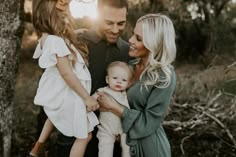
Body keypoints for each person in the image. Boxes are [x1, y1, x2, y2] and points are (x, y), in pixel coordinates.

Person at [54, 0, 131, 157]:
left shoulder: (128, 52)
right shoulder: (77, 42)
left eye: (121, 23)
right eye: (109, 23)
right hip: (74, 138)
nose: (115, 29)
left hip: (110, 142)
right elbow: (55, 87)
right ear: (98, 15)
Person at [97, 13, 177, 157]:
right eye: (134, 34)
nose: (130, 40)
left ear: (154, 44)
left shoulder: (165, 76)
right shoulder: (130, 66)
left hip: (149, 148)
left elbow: (149, 121)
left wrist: (113, 107)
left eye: (138, 38)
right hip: (124, 144)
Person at [29, 0, 99, 156]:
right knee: (85, 136)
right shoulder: (57, 42)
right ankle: (38, 147)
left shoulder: (47, 38)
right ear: (53, 16)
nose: (69, 16)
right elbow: (66, 72)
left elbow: (59, 43)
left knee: (54, 115)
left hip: (59, 93)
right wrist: (86, 98)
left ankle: (38, 146)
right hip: (70, 94)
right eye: (64, 15)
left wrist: (74, 33)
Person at [93, 61, 133, 157]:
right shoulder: (103, 91)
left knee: (127, 148)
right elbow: (91, 101)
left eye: (124, 80)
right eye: (115, 78)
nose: (119, 82)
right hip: (106, 129)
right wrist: (94, 104)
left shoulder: (126, 95)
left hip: (123, 129)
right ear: (107, 79)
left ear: (128, 84)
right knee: (105, 150)